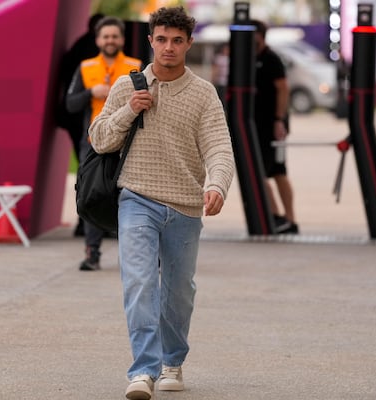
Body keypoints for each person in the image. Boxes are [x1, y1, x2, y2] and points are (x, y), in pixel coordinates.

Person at [89, 6, 234, 399]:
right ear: (151, 40)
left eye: (177, 40)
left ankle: (173, 362)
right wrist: (128, 110)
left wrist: (217, 186)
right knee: (138, 282)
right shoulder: (128, 85)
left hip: (186, 205)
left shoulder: (203, 93)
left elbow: (220, 147)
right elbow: (99, 138)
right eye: (161, 39)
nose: (168, 47)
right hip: (136, 199)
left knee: (178, 291)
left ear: (188, 43)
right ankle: (143, 371)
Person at [66, 16, 142, 271]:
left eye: (114, 36)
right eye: (105, 36)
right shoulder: (86, 68)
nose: (110, 40)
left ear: (122, 39)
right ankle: (92, 253)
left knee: (132, 198)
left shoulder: (136, 67)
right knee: (93, 196)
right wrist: (90, 92)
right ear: (98, 40)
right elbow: (70, 104)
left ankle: (134, 255)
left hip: (129, 143)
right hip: (94, 143)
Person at [58, 13, 105, 237]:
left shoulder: (79, 48)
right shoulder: (86, 58)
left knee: (90, 177)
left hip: (85, 123)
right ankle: (88, 225)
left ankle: (89, 224)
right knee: (91, 177)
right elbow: (71, 96)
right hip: (83, 123)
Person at [251, 19, 298, 234]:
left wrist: (279, 120)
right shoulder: (248, 58)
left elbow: (283, 89)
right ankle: (282, 218)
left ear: (261, 36)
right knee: (271, 171)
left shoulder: (271, 59)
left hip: (272, 126)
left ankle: (283, 217)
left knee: (268, 171)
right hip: (255, 125)